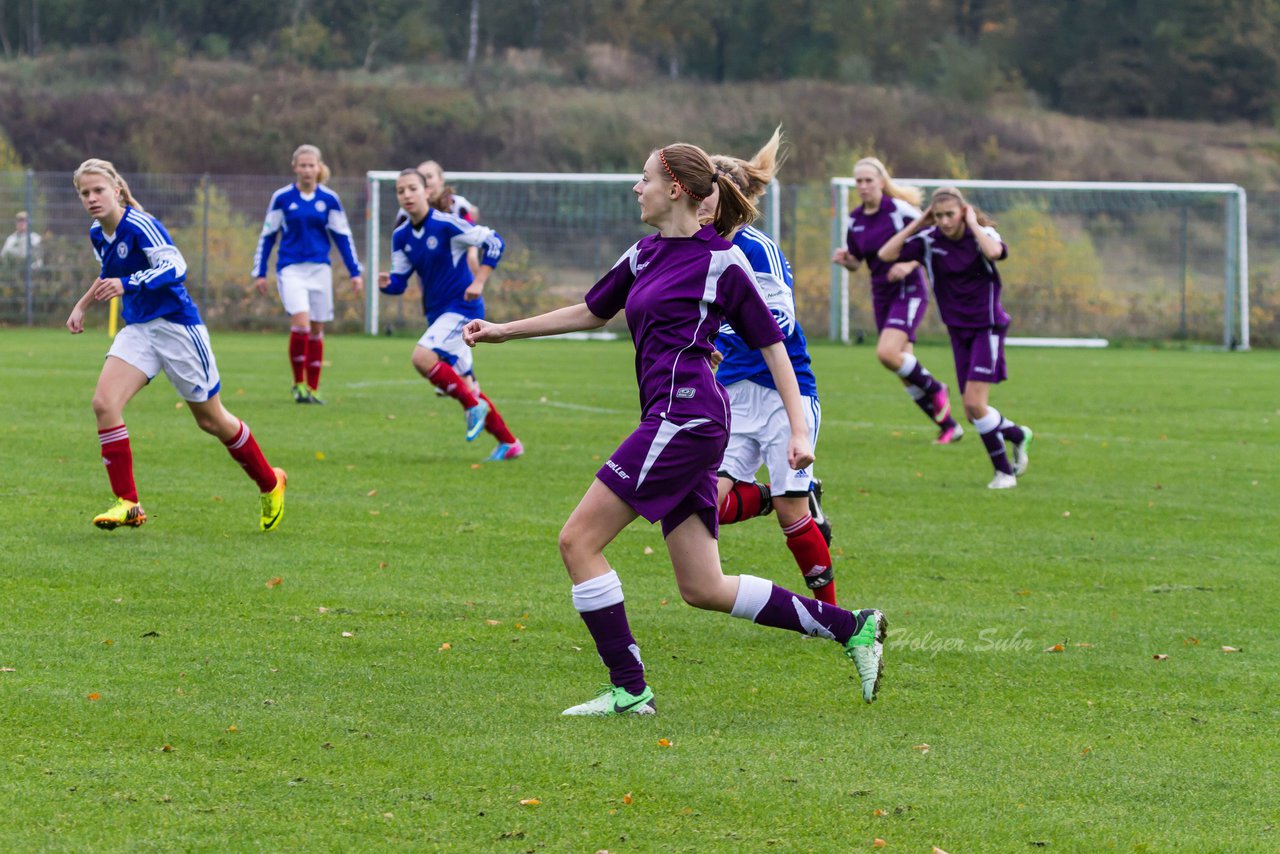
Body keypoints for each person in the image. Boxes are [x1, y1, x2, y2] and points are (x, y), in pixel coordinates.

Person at [464, 142, 886, 715]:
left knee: (577, 541)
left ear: (675, 191)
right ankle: (853, 628)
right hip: (676, 417)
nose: (635, 189)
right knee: (703, 587)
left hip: (684, 417)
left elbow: (774, 346)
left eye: (644, 179)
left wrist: (799, 430)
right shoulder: (642, 254)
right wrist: (504, 331)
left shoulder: (724, 261)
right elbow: (591, 311)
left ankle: (629, 690)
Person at [65, 159, 287, 531]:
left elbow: (176, 266)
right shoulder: (96, 233)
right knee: (104, 403)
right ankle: (128, 503)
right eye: (84, 193)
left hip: (176, 329)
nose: (91, 198)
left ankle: (270, 482)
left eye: (98, 190)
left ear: (117, 190)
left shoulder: (141, 224)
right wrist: (82, 305)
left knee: (211, 420)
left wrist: (130, 284)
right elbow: (109, 274)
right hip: (139, 330)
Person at [695, 128, 838, 606]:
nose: (695, 205)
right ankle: (777, 496)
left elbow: (780, 319)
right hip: (731, 391)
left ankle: (832, 613)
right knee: (705, 503)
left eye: (702, 196)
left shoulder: (758, 249)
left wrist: (718, 334)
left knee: (792, 513)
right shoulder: (699, 248)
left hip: (783, 393)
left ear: (724, 198)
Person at [879, 186, 1033, 489]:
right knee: (972, 409)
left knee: (975, 405)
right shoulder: (928, 240)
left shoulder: (983, 235)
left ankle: (1004, 473)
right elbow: (886, 254)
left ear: (963, 211)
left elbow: (994, 253)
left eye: (950, 214)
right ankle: (1016, 434)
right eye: (939, 216)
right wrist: (919, 223)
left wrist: (974, 223)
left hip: (987, 327)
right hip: (957, 330)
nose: (945, 222)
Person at [379, 168, 522, 459]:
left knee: (422, 357)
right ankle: (509, 443)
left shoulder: (446, 224)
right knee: (467, 384)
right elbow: (400, 281)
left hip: (462, 309)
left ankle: (472, 407)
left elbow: (495, 241)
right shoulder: (401, 236)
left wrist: (479, 281)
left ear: (426, 192)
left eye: (412, 188)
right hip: (437, 314)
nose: (406, 195)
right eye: (400, 190)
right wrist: (388, 285)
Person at [832, 158, 962, 444]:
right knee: (903, 369)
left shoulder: (899, 210)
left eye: (869, 180)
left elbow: (933, 239)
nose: (864, 186)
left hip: (908, 290)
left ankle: (937, 387)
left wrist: (911, 263)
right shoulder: (855, 219)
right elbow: (858, 263)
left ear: (881, 181)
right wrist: (847, 261)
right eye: (859, 181)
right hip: (881, 293)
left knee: (887, 354)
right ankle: (950, 427)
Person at [253, 144, 364, 404]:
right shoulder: (282, 198)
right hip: (290, 268)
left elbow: (342, 237)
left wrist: (354, 272)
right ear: (295, 167)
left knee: (316, 329)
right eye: (302, 165)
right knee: (301, 325)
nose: (306, 170)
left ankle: (313, 389)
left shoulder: (329, 200)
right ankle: (298, 384)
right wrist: (259, 272)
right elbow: (268, 236)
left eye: (311, 165)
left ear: (319, 167)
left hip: (320, 269)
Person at [393, 160, 481, 277]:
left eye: (429, 176)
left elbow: (472, 229)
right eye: (422, 177)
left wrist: (472, 254)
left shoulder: (456, 204)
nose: (426, 181)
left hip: (459, 264)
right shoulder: (406, 211)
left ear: (441, 179)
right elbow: (402, 240)